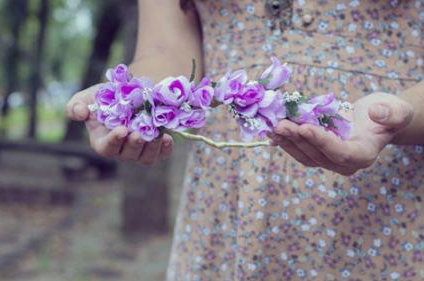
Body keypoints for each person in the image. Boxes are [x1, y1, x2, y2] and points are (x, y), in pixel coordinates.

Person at [66, 0, 424, 280]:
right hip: (222, 211)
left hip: (387, 210)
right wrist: (133, 102)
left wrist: (394, 116)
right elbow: (165, 51)